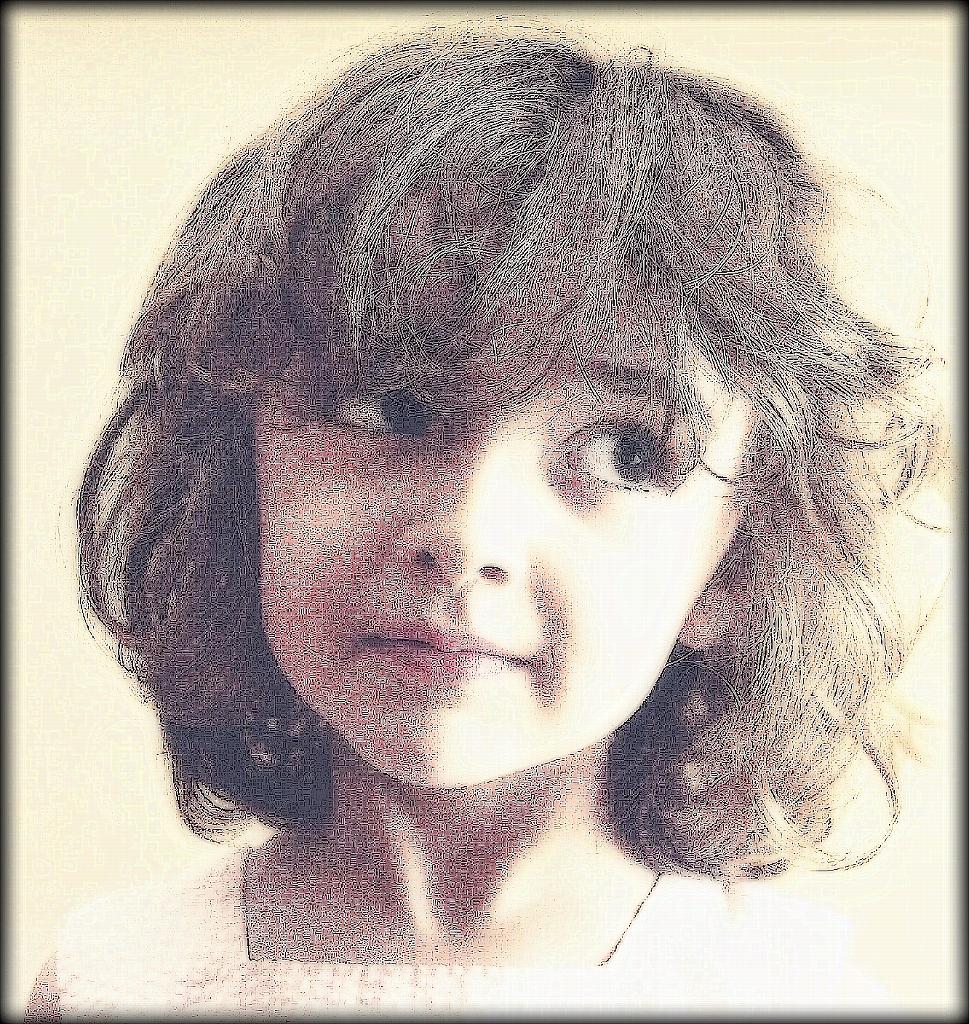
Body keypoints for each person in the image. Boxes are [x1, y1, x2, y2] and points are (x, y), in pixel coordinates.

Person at [27, 20, 948, 1017]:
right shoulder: (116, 982)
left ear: (737, 567)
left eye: (626, 453)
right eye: (393, 406)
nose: (468, 533)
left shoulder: (791, 998)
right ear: (238, 474)